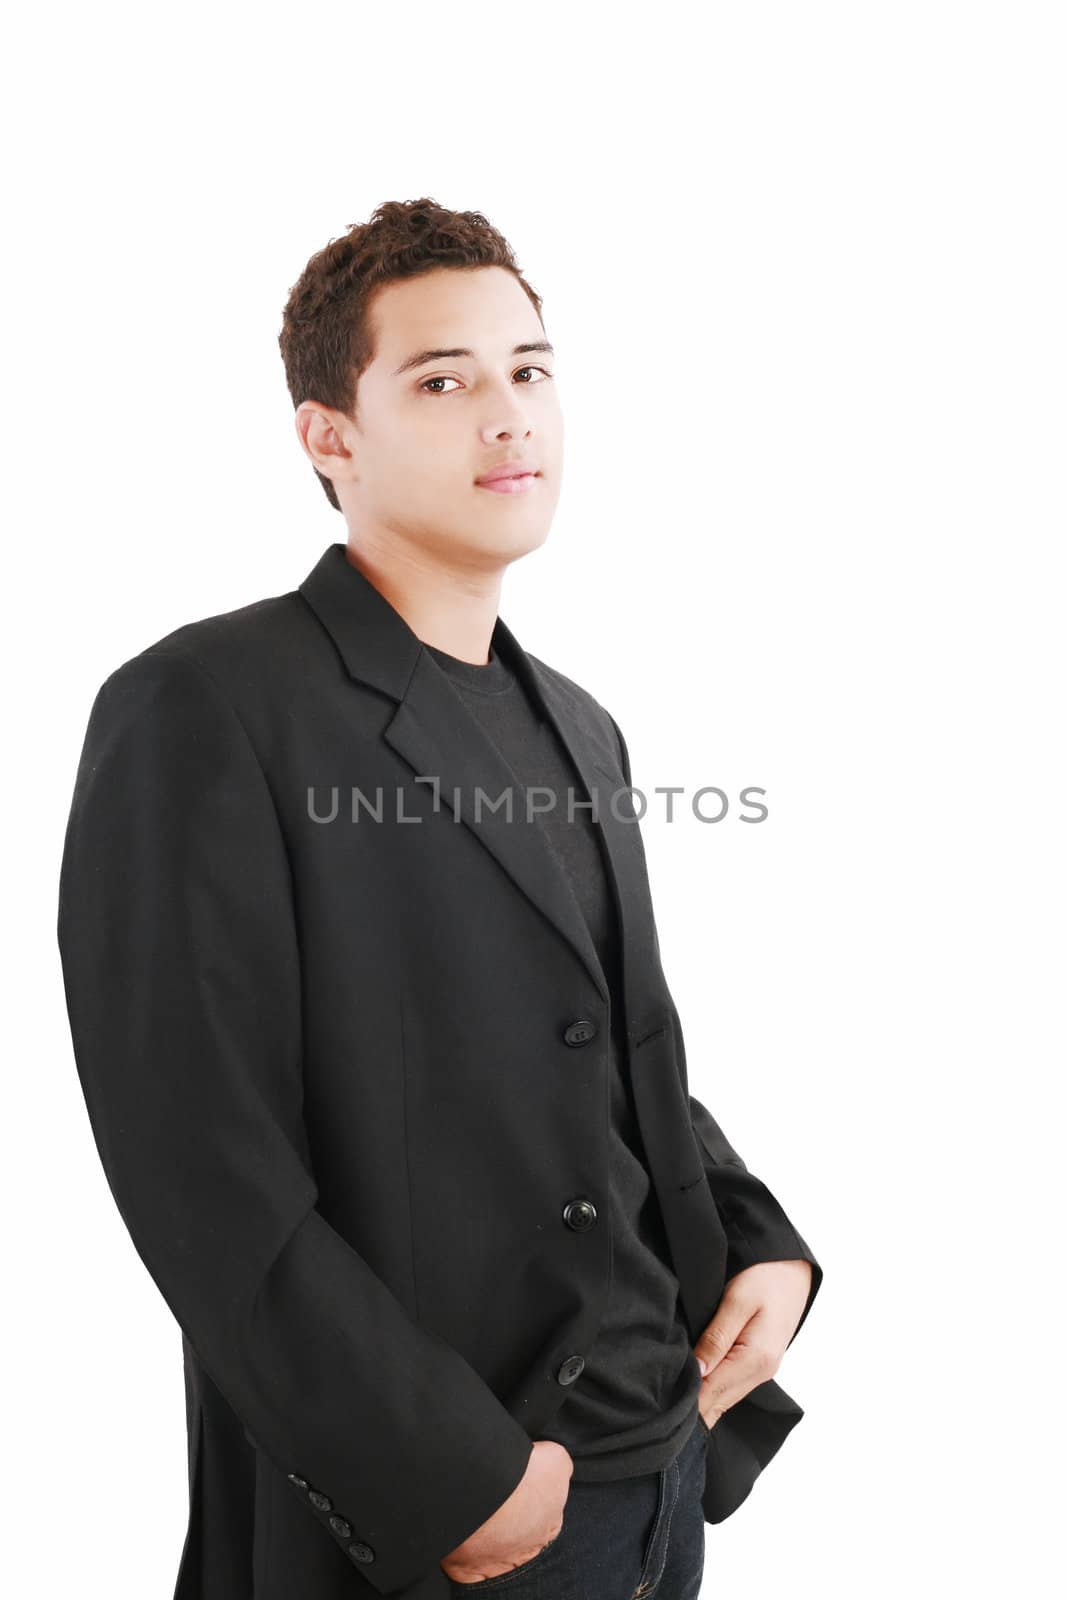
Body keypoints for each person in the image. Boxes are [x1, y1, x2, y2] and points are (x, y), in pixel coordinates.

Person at [57, 198, 823, 1600]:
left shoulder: (580, 726)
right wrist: (449, 1476)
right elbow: (198, 1162)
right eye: (444, 379)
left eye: (531, 369)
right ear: (328, 436)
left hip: (658, 1482)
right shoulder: (208, 706)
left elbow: (606, 1057)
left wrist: (759, 1241)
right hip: (446, 1523)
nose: (509, 416)